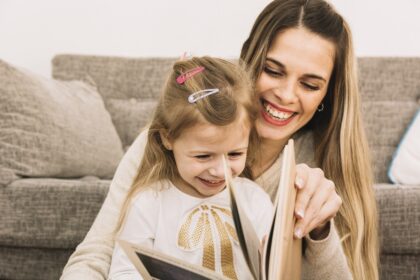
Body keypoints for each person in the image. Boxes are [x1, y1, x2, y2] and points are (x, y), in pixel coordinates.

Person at [61, 0, 378, 279]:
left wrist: (319, 233)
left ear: (327, 95)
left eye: (310, 84)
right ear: (251, 61)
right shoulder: (165, 144)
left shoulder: (320, 164)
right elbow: (99, 255)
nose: (285, 94)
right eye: (272, 70)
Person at [108, 56, 274, 280]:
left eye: (235, 154)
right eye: (203, 156)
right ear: (168, 139)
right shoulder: (149, 203)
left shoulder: (255, 200)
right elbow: (125, 271)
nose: (219, 170)